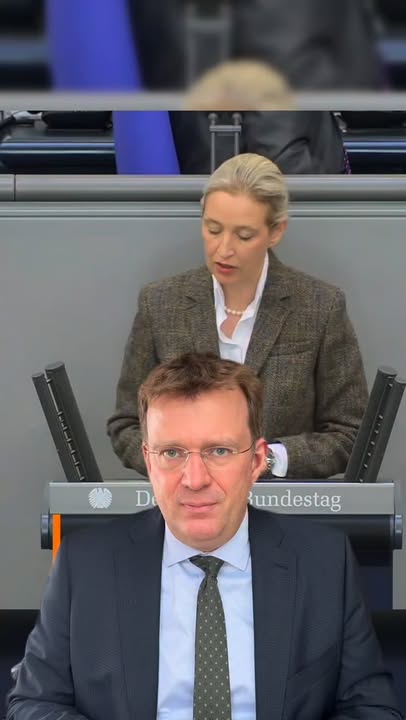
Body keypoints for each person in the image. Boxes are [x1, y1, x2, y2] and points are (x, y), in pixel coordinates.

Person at [7, 353, 401, 720]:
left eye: (219, 451)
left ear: (256, 461)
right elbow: (34, 703)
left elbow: (371, 708)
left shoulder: (324, 562)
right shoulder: (84, 564)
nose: (195, 480)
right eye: (172, 453)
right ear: (148, 461)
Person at [107, 153, 368, 479]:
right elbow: (127, 425)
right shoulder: (160, 303)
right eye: (213, 229)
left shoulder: (320, 306)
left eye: (244, 236)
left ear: (276, 231)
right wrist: (182, 463)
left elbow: (351, 434)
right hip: (184, 500)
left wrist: (266, 460)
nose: (224, 249)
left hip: (281, 503)